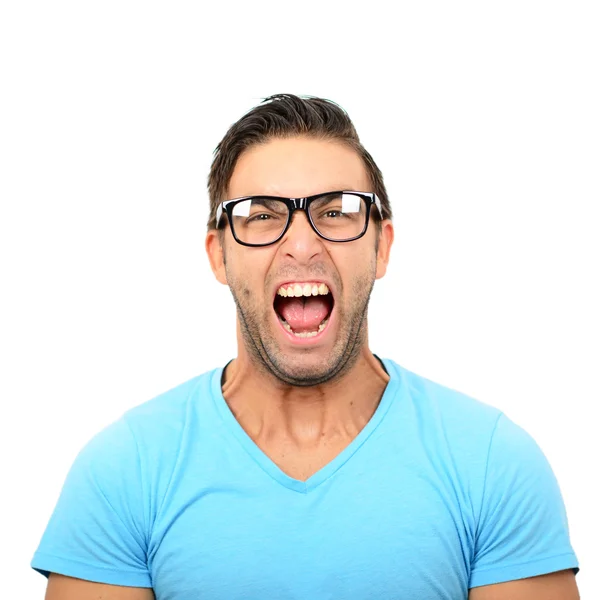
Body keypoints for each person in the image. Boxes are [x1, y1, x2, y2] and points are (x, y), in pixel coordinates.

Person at [32, 94, 580, 599]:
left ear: (382, 246)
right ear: (218, 255)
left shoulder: (493, 464)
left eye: (336, 210)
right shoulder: (123, 471)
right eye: (262, 215)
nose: (302, 244)